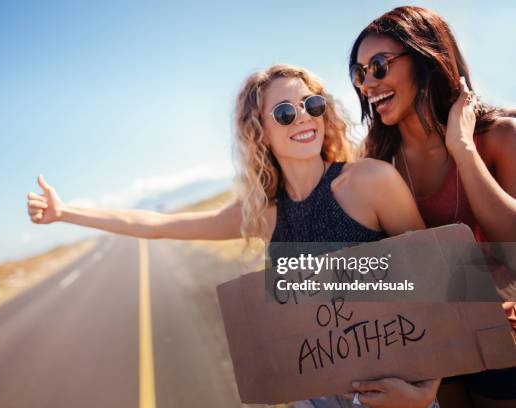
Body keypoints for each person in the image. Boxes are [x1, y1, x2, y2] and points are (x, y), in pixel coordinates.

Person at [27, 64, 438, 407]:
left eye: (311, 104)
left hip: (394, 393)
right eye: (284, 113)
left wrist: (427, 391)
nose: (304, 118)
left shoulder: (370, 182)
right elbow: (155, 226)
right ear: (259, 131)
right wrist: (65, 213)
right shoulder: (263, 215)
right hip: (315, 398)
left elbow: (442, 281)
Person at [349, 6, 516, 408]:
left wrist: (462, 150)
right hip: (430, 342)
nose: (368, 83)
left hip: (505, 339)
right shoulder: (377, 163)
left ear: (425, 58)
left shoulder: (499, 136)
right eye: (359, 72)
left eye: (379, 65)